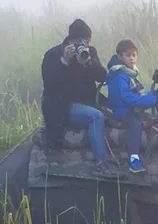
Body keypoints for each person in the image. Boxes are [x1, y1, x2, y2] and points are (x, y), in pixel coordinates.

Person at [40, 18, 117, 173]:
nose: (84, 45)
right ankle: (101, 162)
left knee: (117, 112)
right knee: (96, 117)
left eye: (87, 41)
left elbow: (103, 77)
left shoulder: (89, 52)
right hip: (62, 106)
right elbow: (49, 83)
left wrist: (88, 63)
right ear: (70, 41)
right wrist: (64, 62)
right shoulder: (53, 54)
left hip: (88, 101)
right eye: (80, 42)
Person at [106, 39, 157, 174]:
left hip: (130, 108)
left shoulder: (130, 72)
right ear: (120, 57)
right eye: (128, 55)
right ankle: (133, 159)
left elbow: (137, 93)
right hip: (122, 110)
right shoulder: (118, 74)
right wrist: (151, 100)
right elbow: (127, 97)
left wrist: (151, 95)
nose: (132, 58)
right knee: (135, 124)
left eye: (134, 55)